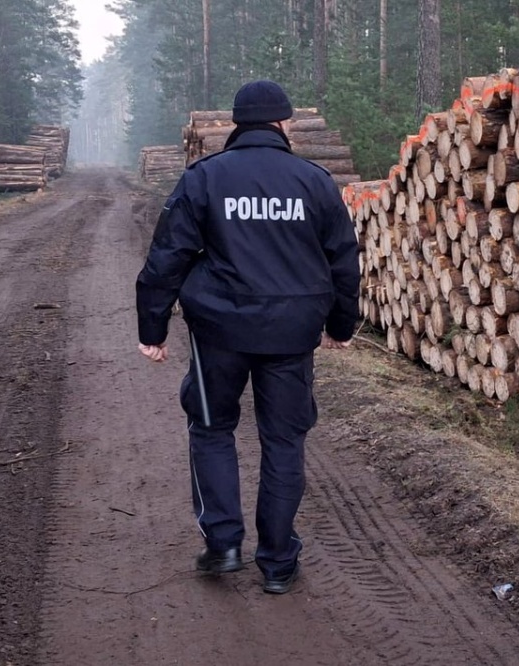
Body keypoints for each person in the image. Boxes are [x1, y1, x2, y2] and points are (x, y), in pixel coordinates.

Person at [135, 80, 360, 595]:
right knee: (283, 440)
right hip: (291, 333)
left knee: (212, 428)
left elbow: (166, 256)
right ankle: (279, 563)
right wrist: (341, 325)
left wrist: (152, 327)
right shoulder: (315, 181)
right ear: (284, 124)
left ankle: (224, 544)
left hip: (218, 331)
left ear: (236, 124)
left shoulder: (205, 178)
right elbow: (344, 262)